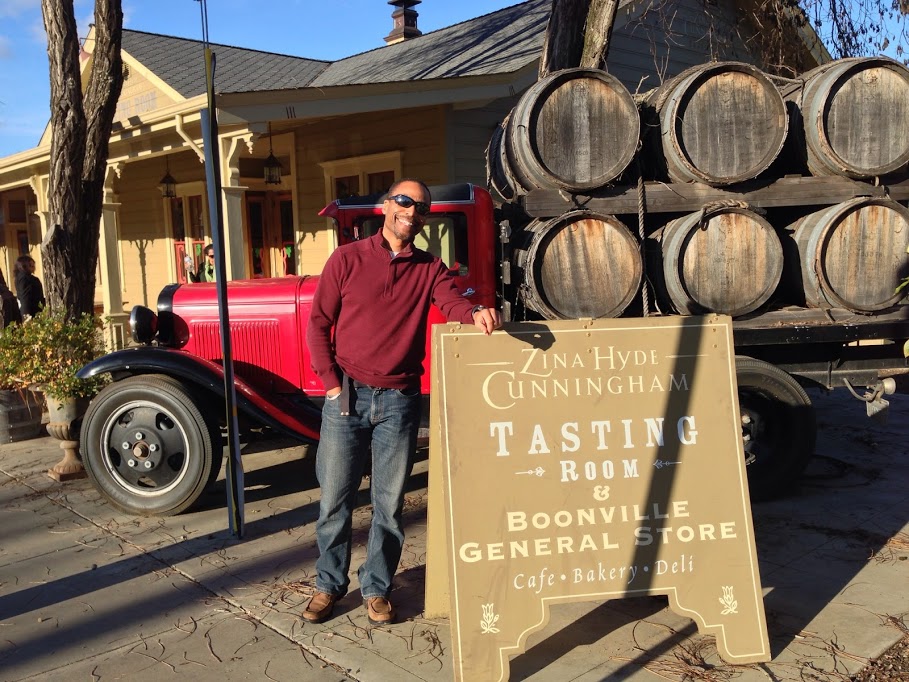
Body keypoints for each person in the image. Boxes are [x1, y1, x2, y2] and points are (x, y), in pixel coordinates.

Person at [304, 178, 501, 625]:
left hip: (399, 400)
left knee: (389, 504)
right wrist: (333, 387)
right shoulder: (347, 259)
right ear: (386, 206)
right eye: (404, 201)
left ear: (424, 219)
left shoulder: (431, 268)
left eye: (420, 208)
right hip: (348, 397)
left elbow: (452, 301)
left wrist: (475, 313)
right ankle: (328, 586)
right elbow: (318, 325)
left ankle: (376, 587)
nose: (411, 211)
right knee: (335, 499)